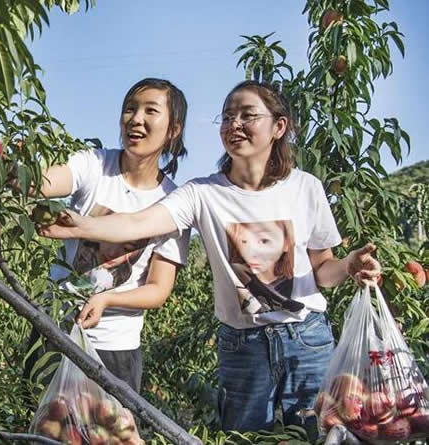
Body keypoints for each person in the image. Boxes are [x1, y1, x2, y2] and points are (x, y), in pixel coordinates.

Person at [38, 80, 381, 435]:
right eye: (228, 116)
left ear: (279, 127)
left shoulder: (305, 186)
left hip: (306, 339)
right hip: (243, 345)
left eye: (247, 115)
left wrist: (349, 266)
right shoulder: (202, 193)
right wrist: (82, 226)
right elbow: (141, 222)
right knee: (244, 439)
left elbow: (322, 269)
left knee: (320, 434)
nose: (234, 125)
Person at [23, 78, 191, 393]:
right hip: (54, 333)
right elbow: (47, 181)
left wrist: (108, 298)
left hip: (114, 347)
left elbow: (157, 288)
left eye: (150, 111)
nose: (136, 119)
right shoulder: (97, 164)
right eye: (130, 109)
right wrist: (14, 173)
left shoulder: (174, 203)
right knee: (41, 431)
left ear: (173, 130)